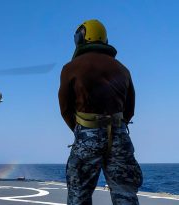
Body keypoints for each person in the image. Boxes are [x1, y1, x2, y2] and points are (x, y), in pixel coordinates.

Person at [58, 19, 143, 205]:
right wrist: (117, 126)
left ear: (82, 37)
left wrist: (82, 130)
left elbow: (65, 108)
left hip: (87, 134)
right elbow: (130, 109)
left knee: (79, 194)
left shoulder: (70, 68)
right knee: (125, 194)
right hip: (120, 135)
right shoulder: (123, 69)